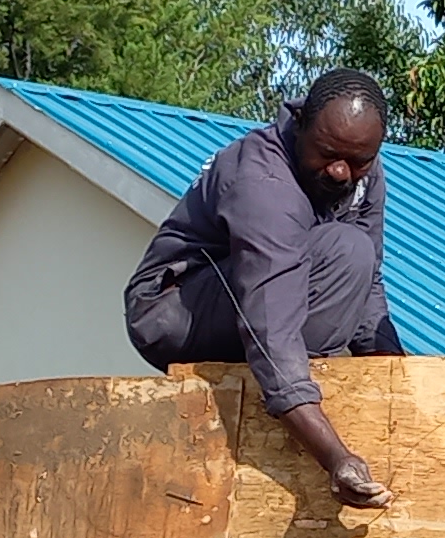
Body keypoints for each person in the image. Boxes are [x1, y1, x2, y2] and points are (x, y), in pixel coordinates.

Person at [125, 68, 404, 506]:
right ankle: (296, 405)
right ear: (300, 126)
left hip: (254, 301)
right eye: (327, 153)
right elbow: (271, 317)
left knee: (355, 255)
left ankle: (297, 392)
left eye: (358, 161)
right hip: (174, 311)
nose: (340, 172)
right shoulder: (264, 182)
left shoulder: (362, 172)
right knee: (342, 250)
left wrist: (399, 378)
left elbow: (369, 282)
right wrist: (333, 456)